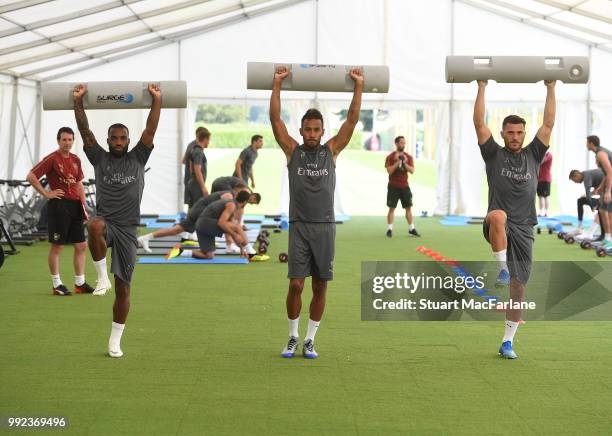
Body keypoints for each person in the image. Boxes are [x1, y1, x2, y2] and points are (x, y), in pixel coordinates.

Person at [270, 65, 363, 359]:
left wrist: (358, 85)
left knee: (320, 285)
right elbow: (275, 119)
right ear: (301, 131)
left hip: (325, 227)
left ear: (323, 131)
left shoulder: (331, 151)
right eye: (307, 129)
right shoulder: (292, 150)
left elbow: (352, 120)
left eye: (316, 130)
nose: (311, 134)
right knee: (297, 284)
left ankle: (310, 339)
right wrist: (276, 84)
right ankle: (293, 336)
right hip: (299, 226)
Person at [73, 82, 161, 358]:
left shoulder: (138, 156)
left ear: (128, 140)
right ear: (109, 140)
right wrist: (78, 102)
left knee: (124, 290)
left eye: (123, 138)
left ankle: (115, 340)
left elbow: (151, 129)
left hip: (127, 230)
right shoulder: (99, 157)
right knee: (94, 224)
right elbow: (85, 132)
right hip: (107, 224)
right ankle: (101, 278)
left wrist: (156, 100)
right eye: (115, 138)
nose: (120, 142)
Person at [473, 79, 556, 359]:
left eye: (519, 132)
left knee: (518, 290)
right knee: (497, 215)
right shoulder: (493, 154)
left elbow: (548, 124)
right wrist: (481, 86)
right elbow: (479, 125)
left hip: (524, 228)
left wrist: (551, 87)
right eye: (510, 132)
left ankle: (507, 341)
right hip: (498, 225)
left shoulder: (534, 153)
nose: (515, 136)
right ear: (503, 133)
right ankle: (502, 269)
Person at [26, 127, 95, 295]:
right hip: (59, 206)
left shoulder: (76, 159)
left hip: (75, 206)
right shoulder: (51, 159)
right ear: (58, 141)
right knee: (58, 247)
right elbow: (31, 176)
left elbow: (78, 183)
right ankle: (57, 285)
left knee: (81, 245)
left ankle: (80, 283)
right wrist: (47, 194)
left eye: (70, 139)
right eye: (64, 140)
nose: (67, 143)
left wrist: (84, 204)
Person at [137, 185, 260, 254]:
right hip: (201, 211)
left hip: (201, 211)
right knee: (229, 225)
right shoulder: (229, 198)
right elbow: (223, 220)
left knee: (176, 230)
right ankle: (248, 249)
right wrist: (233, 237)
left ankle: (146, 238)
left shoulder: (232, 200)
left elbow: (228, 221)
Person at [170, 191, 253, 259]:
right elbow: (221, 223)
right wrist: (235, 234)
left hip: (201, 226)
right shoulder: (231, 205)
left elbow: (231, 229)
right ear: (245, 202)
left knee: (208, 255)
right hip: (206, 224)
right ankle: (251, 253)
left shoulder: (232, 205)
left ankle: (181, 252)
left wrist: (241, 248)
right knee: (237, 226)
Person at [384, 135, 420, 238]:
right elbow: (389, 171)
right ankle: (389, 229)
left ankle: (411, 228)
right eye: (401, 143)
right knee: (392, 208)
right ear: (396, 144)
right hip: (393, 186)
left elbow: (412, 171)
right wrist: (397, 163)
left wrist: (404, 163)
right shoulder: (390, 157)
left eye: (404, 143)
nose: (403, 145)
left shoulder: (408, 157)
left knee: (408, 208)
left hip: (405, 186)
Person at [586, 135, 612, 249]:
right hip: (609, 181)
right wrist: (600, 187)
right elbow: (606, 174)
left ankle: (608, 239)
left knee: (603, 210)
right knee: (607, 212)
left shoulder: (601, 154)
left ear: (591, 143)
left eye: (587, 143)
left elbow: (610, 172)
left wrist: (608, 191)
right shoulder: (599, 153)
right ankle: (608, 239)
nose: (586, 145)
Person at [569, 168, 605, 239]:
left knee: (599, 208)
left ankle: (590, 233)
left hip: (608, 193)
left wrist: (592, 206)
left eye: (574, 180)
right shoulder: (587, 174)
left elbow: (588, 197)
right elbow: (597, 189)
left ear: (577, 175)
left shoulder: (586, 177)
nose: (575, 182)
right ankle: (580, 228)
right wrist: (588, 195)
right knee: (580, 201)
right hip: (605, 191)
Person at [185, 128, 211, 208]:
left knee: (192, 208)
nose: (209, 142)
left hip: (192, 182)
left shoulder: (193, 149)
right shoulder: (198, 152)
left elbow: (190, 167)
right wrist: (203, 187)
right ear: (205, 139)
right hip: (196, 185)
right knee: (198, 208)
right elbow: (197, 170)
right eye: (209, 140)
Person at [537, 151, 553, 217]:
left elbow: (541, 161)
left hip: (546, 179)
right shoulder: (542, 154)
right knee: (540, 196)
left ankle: (546, 212)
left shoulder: (549, 155)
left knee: (546, 196)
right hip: (539, 179)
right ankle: (541, 212)